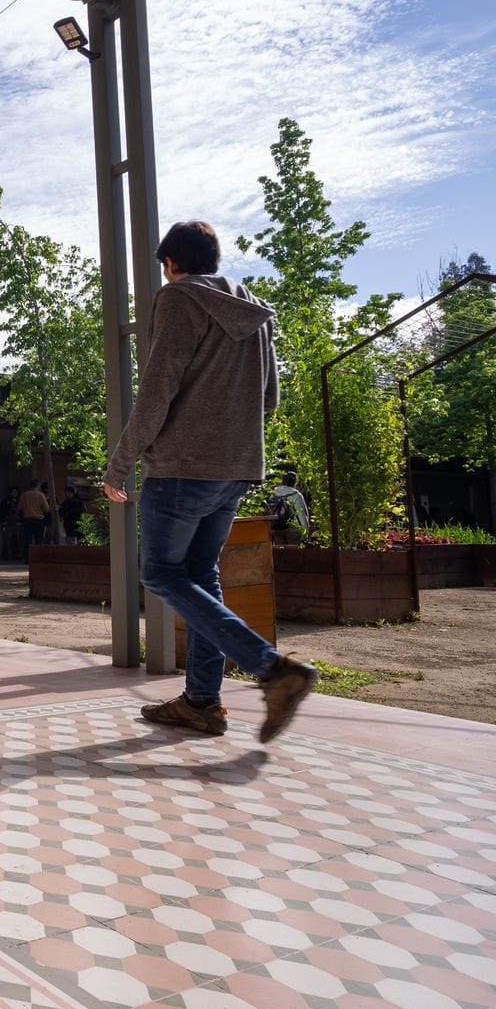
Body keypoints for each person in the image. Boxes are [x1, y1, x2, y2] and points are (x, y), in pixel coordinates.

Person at [104, 219, 317, 743]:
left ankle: (272, 669)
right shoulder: (250, 310)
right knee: (199, 574)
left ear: (171, 263)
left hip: (183, 467)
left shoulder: (177, 299)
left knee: (159, 573)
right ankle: (202, 701)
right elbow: (270, 399)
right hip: (238, 466)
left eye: (165, 267)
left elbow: (157, 389)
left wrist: (120, 462)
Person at [269, 471, 311, 546]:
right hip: (293, 528)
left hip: (277, 527)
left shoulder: (273, 493)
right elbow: (301, 513)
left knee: (280, 554)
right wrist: (305, 531)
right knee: (293, 554)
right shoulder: (296, 494)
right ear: (295, 482)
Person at [17, 479, 50, 558]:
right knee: (39, 540)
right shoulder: (41, 495)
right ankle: (38, 557)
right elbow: (46, 508)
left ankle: (27, 558)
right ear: (38, 486)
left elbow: (19, 508)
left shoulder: (24, 495)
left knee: (27, 540)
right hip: (39, 520)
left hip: (27, 519)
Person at [0, 486, 22, 561]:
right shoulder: (5, 501)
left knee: (17, 540)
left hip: (16, 524)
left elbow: (22, 512)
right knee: (7, 540)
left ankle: (17, 556)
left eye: (16, 492)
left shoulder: (19, 501)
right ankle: (7, 557)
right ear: (10, 493)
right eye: (13, 492)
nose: (15, 493)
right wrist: (3, 521)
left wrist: (20, 521)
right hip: (7, 524)